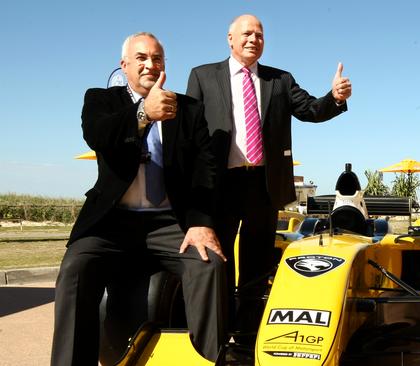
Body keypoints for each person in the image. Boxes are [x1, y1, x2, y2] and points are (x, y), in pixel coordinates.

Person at [51, 32, 227, 365]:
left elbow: (206, 170)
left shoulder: (189, 109)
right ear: (125, 64)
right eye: (142, 58)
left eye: (157, 58)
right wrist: (143, 113)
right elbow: (98, 136)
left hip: (170, 223)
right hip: (112, 224)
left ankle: (206, 359)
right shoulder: (101, 100)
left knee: (210, 264)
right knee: (75, 269)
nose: (150, 64)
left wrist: (201, 223)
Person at [186, 14, 352, 343]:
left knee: (257, 262)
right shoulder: (202, 76)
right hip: (220, 184)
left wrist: (334, 97)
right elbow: (191, 134)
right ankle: (218, 331)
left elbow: (310, 110)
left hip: (262, 184)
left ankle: (248, 332)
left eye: (259, 35)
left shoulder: (280, 80)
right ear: (230, 39)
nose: (253, 39)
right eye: (246, 33)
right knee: (218, 259)